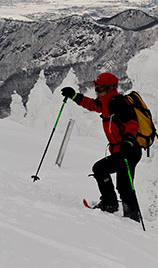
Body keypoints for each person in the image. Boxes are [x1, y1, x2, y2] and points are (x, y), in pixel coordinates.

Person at [61, 72, 142, 222]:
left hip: (129, 150)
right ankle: (123, 212)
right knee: (117, 181)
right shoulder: (106, 102)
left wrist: (128, 140)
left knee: (107, 173)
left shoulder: (118, 103)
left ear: (109, 89)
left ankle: (119, 210)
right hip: (120, 150)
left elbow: (132, 123)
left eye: (99, 88)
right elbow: (92, 105)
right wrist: (74, 96)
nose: (96, 90)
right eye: (95, 87)